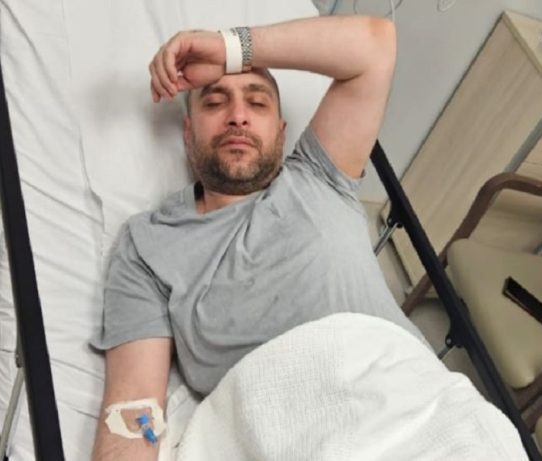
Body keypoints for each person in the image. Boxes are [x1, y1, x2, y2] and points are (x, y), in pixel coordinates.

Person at [91, 15, 425, 460]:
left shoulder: (318, 176)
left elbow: (375, 46)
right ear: (188, 134)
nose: (238, 116)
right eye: (214, 102)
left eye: (257, 102)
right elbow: (132, 412)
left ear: (281, 134)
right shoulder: (148, 246)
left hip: (415, 405)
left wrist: (227, 49)